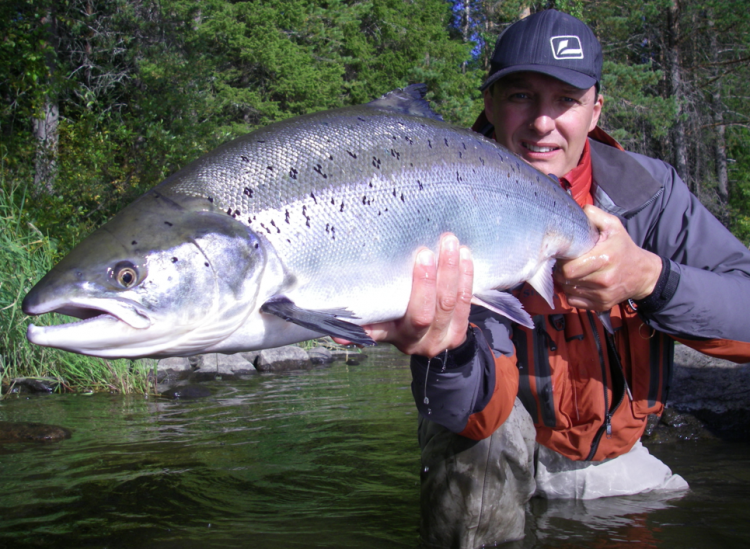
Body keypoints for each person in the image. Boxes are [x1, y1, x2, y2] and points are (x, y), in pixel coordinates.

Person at [358, 9, 750, 548]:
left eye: (565, 101)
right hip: (487, 450)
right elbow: (475, 417)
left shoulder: (650, 196)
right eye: (521, 96)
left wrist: (650, 278)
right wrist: (445, 351)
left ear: (595, 111)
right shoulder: (447, 192)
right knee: (483, 447)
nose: (543, 122)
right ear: (490, 104)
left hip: (613, 456)